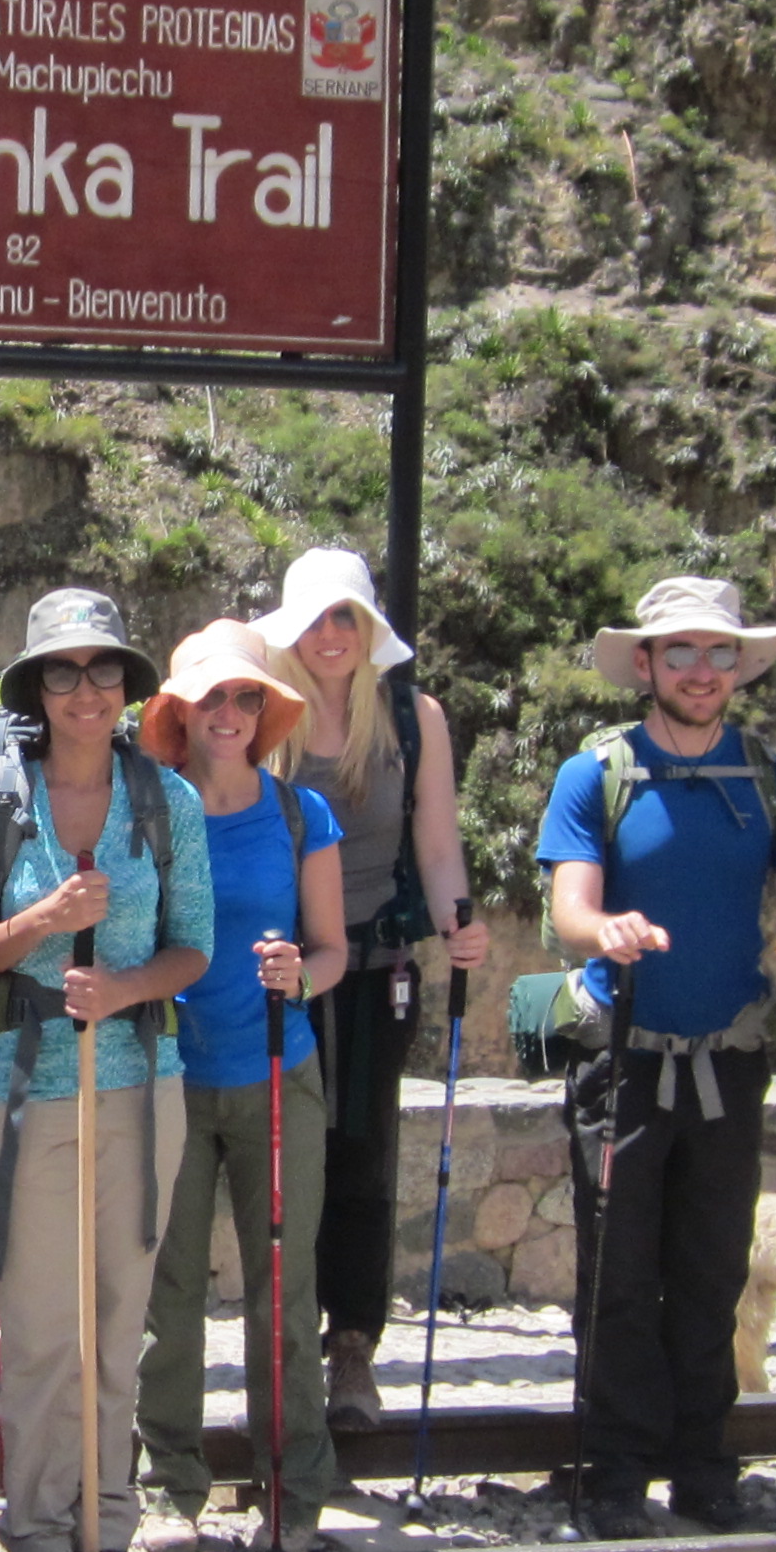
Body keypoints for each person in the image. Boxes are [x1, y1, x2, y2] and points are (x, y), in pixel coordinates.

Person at [540, 574, 776, 1541]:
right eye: (682, 651)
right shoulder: (595, 773)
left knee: (714, 1269)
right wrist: (606, 930)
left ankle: (705, 1465)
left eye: (720, 652)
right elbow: (570, 908)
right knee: (618, 1273)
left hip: (729, 1057)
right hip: (622, 1058)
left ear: (740, 667)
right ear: (646, 663)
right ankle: (615, 1468)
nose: (702, 670)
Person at [0, 590, 211, 1552]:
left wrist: (124, 987)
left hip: (140, 1081)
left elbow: (193, 946)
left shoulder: (168, 802)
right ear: (36, 688)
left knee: (117, 1312)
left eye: (102, 670)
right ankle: (41, 1527)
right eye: (63, 671)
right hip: (21, 1086)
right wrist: (41, 923)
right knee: (42, 1322)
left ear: (127, 685)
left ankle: (107, 1520)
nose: (84, 690)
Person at [254, 548, 491, 1433]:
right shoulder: (259, 710)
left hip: (377, 968)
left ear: (367, 627)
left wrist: (457, 921)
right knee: (281, 1159)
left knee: (363, 1155)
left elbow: (437, 843)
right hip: (277, 971)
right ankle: (282, 1349)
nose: (330, 635)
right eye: (315, 619)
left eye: (344, 617)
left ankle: (351, 1344)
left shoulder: (411, 719)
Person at [136, 621, 346, 1552]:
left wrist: (301, 976)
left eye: (245, 696)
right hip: (172, 1077)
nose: (229, 712)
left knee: (283, 1291)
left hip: (276, 1070)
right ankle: (171, 1487)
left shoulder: (302, 814)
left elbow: (334, 951)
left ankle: (291, 1490)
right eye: (211, 696)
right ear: (180, 712)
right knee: (169, 1292)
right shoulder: (148, 813)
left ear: (265, 711)